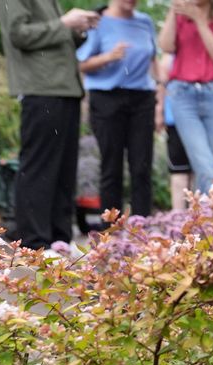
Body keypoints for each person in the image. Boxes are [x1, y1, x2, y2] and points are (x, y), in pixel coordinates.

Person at [0, 0, 98, 248]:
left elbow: (57, 40)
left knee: (63, 171)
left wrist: (78, 29)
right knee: (40, 168)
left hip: (66, 89)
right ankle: (35, 243)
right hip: (40, 89)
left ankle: (59, 240)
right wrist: (64, 23)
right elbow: (18, 34)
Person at [75, 0, 158, 220]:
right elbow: (80, 63)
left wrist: (161, 95)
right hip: (107, 99)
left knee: (141, 167)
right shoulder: (98, 22)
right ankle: (111, 231)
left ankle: (143, 227)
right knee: (112, 167)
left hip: (142, 99)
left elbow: (153, 59)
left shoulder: (145, 22)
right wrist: (108, 57)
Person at [159, 0, 213, 194]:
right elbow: (166, 46)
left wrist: (201, 21)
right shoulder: (180, 21)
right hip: (183, 96)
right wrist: (173, 11)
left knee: (212, 157)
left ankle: (205, 214)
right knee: (200, 155)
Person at [157, 54, 193, 210]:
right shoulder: (170, 57)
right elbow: (162, 82)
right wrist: (159, 111)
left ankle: (197, 219)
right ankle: (178, 217)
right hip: (177, 120)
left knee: (199, 171)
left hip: (202, 119)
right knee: (180, 171)